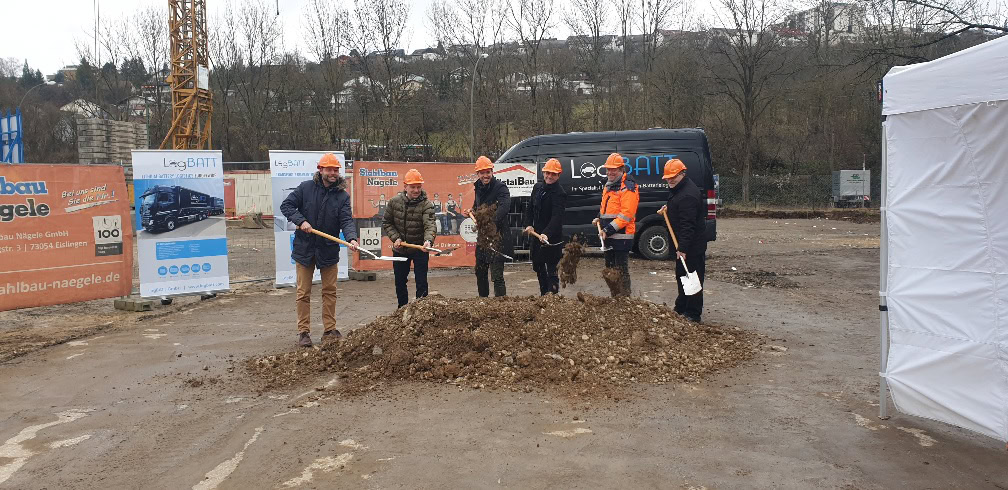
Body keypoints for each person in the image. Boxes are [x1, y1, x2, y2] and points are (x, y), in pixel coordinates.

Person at [280, 153, 359, 348]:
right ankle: (303, 332)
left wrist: (351, 238)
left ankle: (329, 329)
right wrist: (301, 221)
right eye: (329, 169)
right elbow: (287, 205)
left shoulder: (342, 195)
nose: (333, 173)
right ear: (321, 169)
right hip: (305, 248)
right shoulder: (306, 188)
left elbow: (346, 220)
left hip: (328, 249)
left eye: (336, 170)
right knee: (303, 292)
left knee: (330, 291)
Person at [658, 159, 707, 322]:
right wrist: (668, 209)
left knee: (692, 277)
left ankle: (693, 313)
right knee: (682, 276)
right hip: (683, 244)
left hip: (691, 247)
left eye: (674, 177)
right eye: (668, 177)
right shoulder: (679, 189)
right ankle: (681, 307)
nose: (670, 180)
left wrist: (683, 248)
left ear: (682, 174)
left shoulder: (688, 195)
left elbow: (688, 226)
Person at [383, 169, 437, 308]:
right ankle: (402, 309)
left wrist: (428, 241)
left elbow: (430, 225)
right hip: (400, 249)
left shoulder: (426, 205)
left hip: (420, 248)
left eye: (418, 187)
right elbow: (387, 223)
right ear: (405, 186)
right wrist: (395, 238)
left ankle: (421, 310)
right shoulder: (394, 202)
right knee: (400, 281)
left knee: (421, 281)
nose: (416, 190)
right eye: (413, 187)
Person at [593, 152, 639, 297]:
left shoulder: (628, 188)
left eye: (614, 169)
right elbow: (606, 208)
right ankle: (615, 295)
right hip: (608, 235)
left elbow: (626, 215)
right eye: (608, 169)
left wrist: (608, 229)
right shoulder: (609, 185)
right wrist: (599, 218)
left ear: (621, 169)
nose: (610, 172)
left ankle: (625, 298)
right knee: (610, 268)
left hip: (622, 237)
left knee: (621, 269)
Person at [469, 155, 511, 297]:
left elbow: (505, 207)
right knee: (480, 271)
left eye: (488, 172)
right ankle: (483, 301)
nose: (485, 175)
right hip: (483, 237)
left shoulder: (500, 187)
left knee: (497, 275)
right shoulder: (478, 188)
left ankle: (501, 305)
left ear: (492, 171)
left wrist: (491, 223)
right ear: (478, 174)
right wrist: (471, 211)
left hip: (497, 236)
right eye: (482, 173)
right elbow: (478, 207)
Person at [523, 158, 567, 295]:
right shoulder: (538, 188)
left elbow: (556, 217)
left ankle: (553, 298)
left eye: (553, 174)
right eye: (547, 173)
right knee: (539, 267)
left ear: (558, 175)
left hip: (551, 238)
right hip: (537, 237)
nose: (549, 176)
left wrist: (547, 233)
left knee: (551, 269)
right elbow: (530, 208)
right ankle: (544, 296)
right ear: (543, 173)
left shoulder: (560, 193)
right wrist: (529, 224)